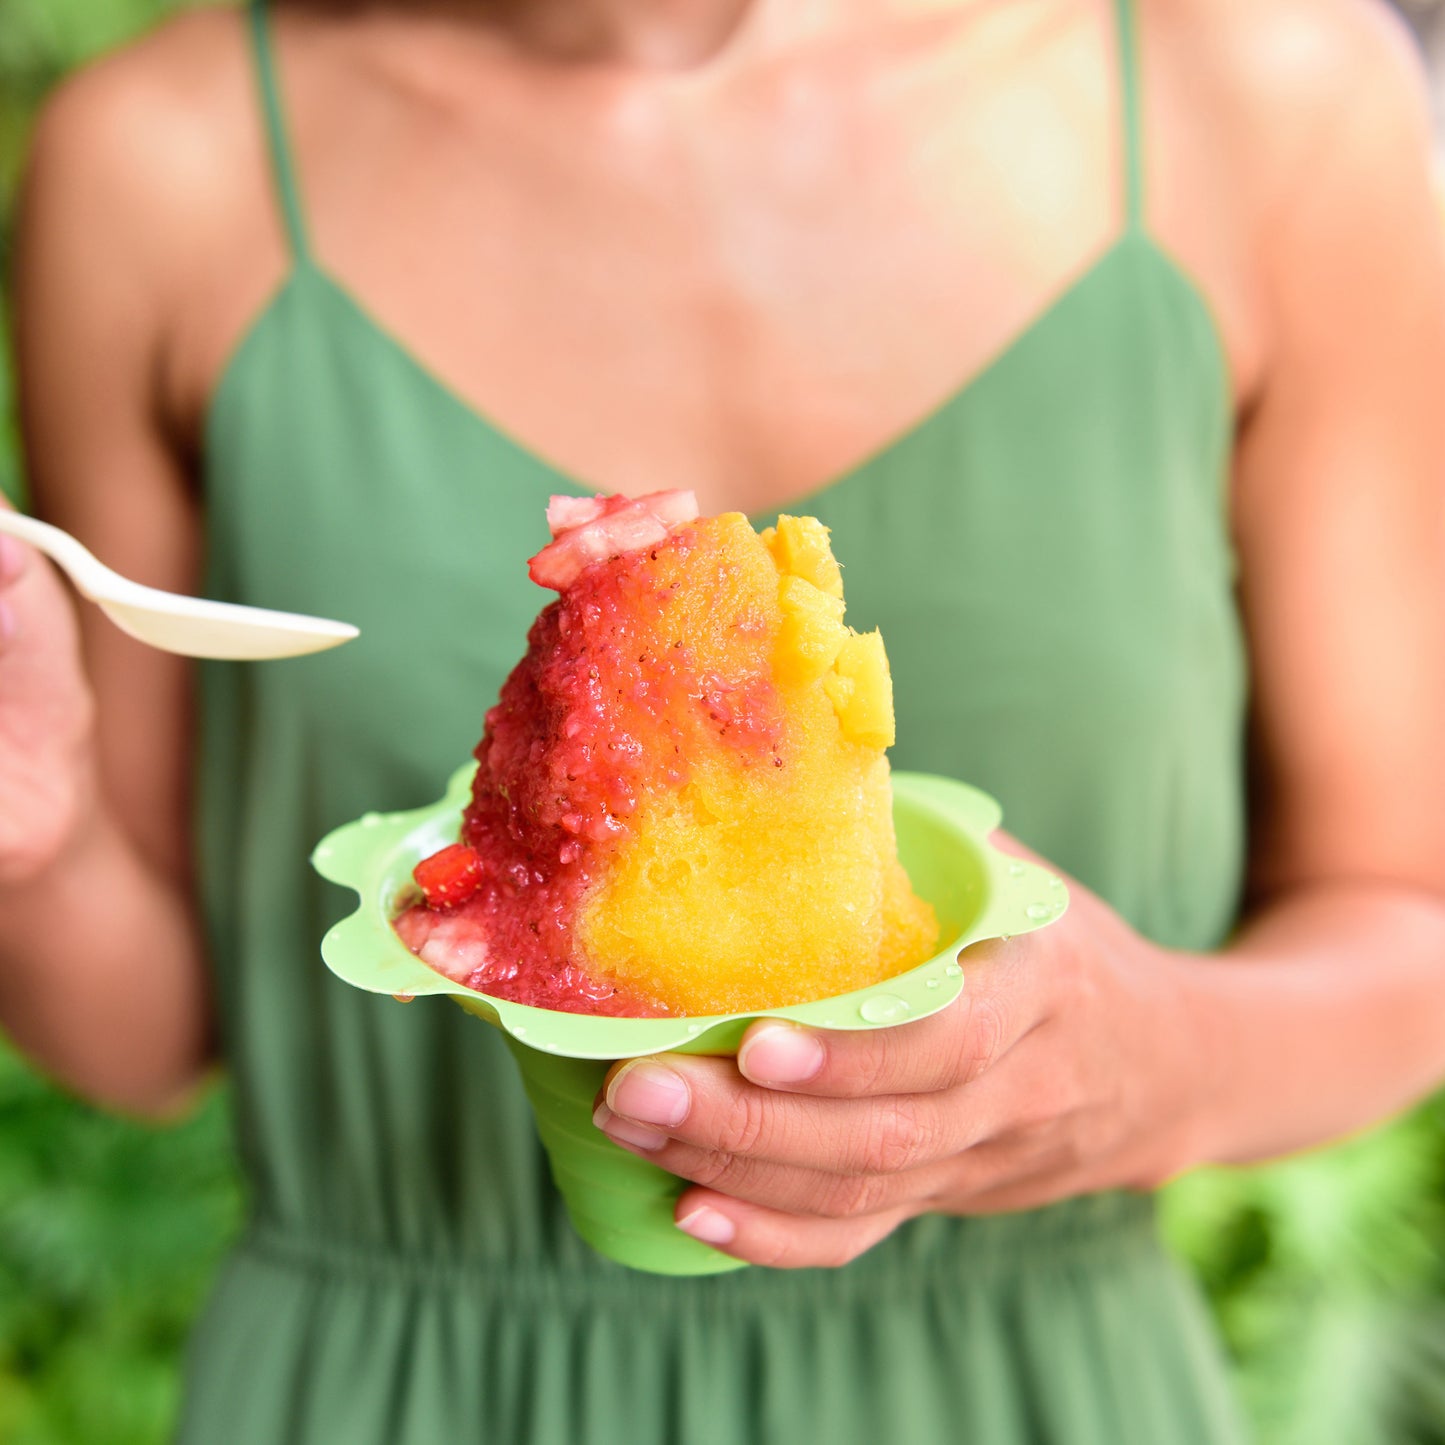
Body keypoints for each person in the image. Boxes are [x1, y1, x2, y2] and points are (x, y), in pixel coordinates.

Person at [3, 0, 1444, 1439]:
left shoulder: (1268, 94)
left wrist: (1162, 1065)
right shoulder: (160, 166)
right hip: (395, 1395)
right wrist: (34, 836)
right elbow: (147, 1032)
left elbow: (1404, 910)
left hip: (1023, 1394)